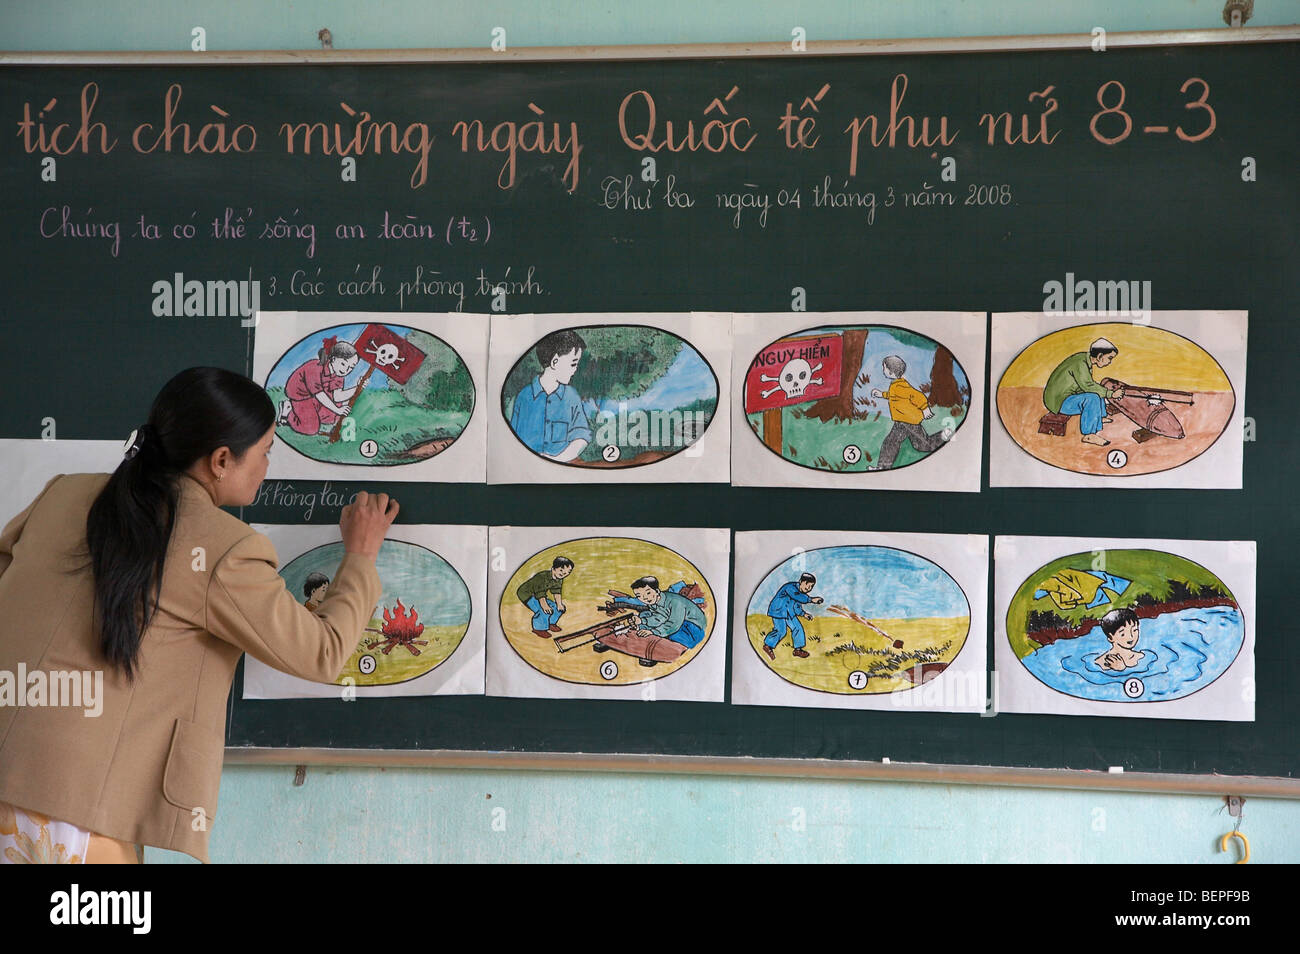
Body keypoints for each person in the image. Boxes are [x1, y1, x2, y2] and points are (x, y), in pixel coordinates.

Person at [0, 367, 397, 864]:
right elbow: (323, 652)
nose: (268, 465)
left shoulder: (63, 494)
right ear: (222, 460)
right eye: (267, 450)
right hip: (77, 816)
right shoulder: (226, 549)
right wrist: (359, 557)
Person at [508, 330, 592, 462]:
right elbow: (513, 440)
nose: (575, 369)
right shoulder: (524, 397)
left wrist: (558, 459)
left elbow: (581, 436)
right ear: (555, 362)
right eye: (573, 363)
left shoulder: (571, 397)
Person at [870, 355, 949, 469]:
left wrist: (925, 408)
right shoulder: (896, 385)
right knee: (916, 444)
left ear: (891, 372)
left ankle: (882, 467)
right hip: (905, 422)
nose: (883, 370)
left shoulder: (901, 386)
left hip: (907, 422)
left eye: (884, 368)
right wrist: (881, 394)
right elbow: (894, 396)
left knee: (897, 443)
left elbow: (918, 396)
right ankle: (944, 434)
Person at [1043, 338, 1125, 447]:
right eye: (1109, 358)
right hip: (1058, 401)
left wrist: (1105, 392)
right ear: (1100, 356)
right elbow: (1088, 385)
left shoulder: (1084, 360)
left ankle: (1099, 417)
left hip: (1068, 396)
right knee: (1092, 397)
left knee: (1098, 390)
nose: (1110, 361)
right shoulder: (1080, 363)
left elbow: (1088, 385)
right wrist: (1111, 394)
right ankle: (1089, 434)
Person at [279, 336, 361, 436]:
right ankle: (288, 411)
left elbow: (337, 396)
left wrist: (358, 387)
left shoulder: (338, 375)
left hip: (315, 396)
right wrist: (337, 409)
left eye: (351, 368)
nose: (346, 370)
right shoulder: (315, 368)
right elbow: (320, 395)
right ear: (333, 359)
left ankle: (311, 412)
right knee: (311, 428)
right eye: (343, 364)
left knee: (332, 418)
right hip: (301, 396)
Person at [762, 573, 823, 660]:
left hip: (789, 613)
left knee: (798, 628)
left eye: (811, 586)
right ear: (801, 581)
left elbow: (797, 606)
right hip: (778, 611)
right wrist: (811, 600)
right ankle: (768, 646)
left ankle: (797, 650)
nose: (809, 588)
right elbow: (797, 596)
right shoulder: (790, 587)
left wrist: (803, 614)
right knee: (781, 630)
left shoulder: (800, 594)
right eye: (807, 585)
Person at [517, 557, 573, 637]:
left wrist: (559, 604)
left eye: (567, 572)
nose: (564, 573)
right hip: (526, 594)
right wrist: (545, 606)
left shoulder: (559, 579)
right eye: (561, 570)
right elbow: (540, 594)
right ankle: (539, 628)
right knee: (543, 610)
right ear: (553, 569)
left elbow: (557, 592)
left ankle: (551, 623)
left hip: (539, 594)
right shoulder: (541, 577)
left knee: (556, 607)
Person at [1098, 607, 1143, 672]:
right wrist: (1121, 670)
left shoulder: (1142, 657)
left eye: (1134, 630)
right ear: (1111, 637)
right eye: (1123, 634)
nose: (1131, 636)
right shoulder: (1101, 663)